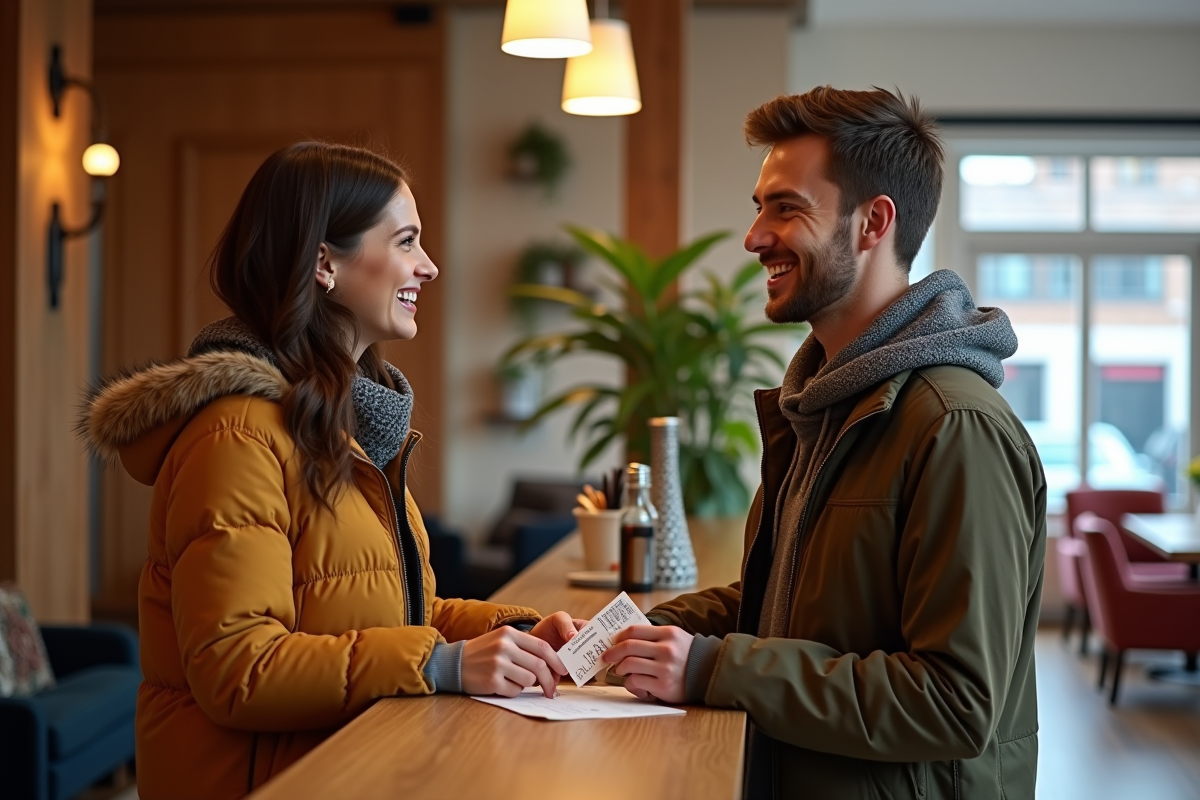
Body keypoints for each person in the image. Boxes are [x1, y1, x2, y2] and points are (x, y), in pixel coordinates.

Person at [80, 142, 583, 800]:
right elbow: (240, 667)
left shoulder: (347, 429)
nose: (428, 267)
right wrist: (446, 662)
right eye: (406, 242)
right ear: (324, 263)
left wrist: (510, 634)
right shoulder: (237, 435)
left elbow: (396, 611)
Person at [603, 87, 1046, 800]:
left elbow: (956, 699)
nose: (754, 237)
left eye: (787, 208)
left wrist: (713, 668)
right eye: (759, 208)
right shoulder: (828, 405)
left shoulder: (954, 425)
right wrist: (625, 634)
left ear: (873, 222)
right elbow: (779, 605)